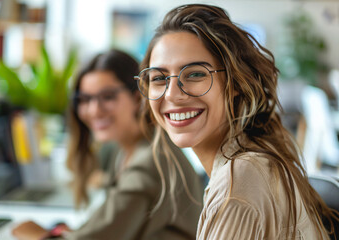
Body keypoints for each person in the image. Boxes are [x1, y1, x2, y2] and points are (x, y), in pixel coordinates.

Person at [136, 4, 338, 240]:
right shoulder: (256, 158)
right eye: (159, 78)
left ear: (235, 83)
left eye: (195, 74)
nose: (171, 94)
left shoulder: (237, 183)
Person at [12, 49, 203, 240]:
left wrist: (40, 235)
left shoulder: (148, 164)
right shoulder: (126, 150)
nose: (94, 110)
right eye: (85, 99)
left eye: (108, 97)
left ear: (137, 98)